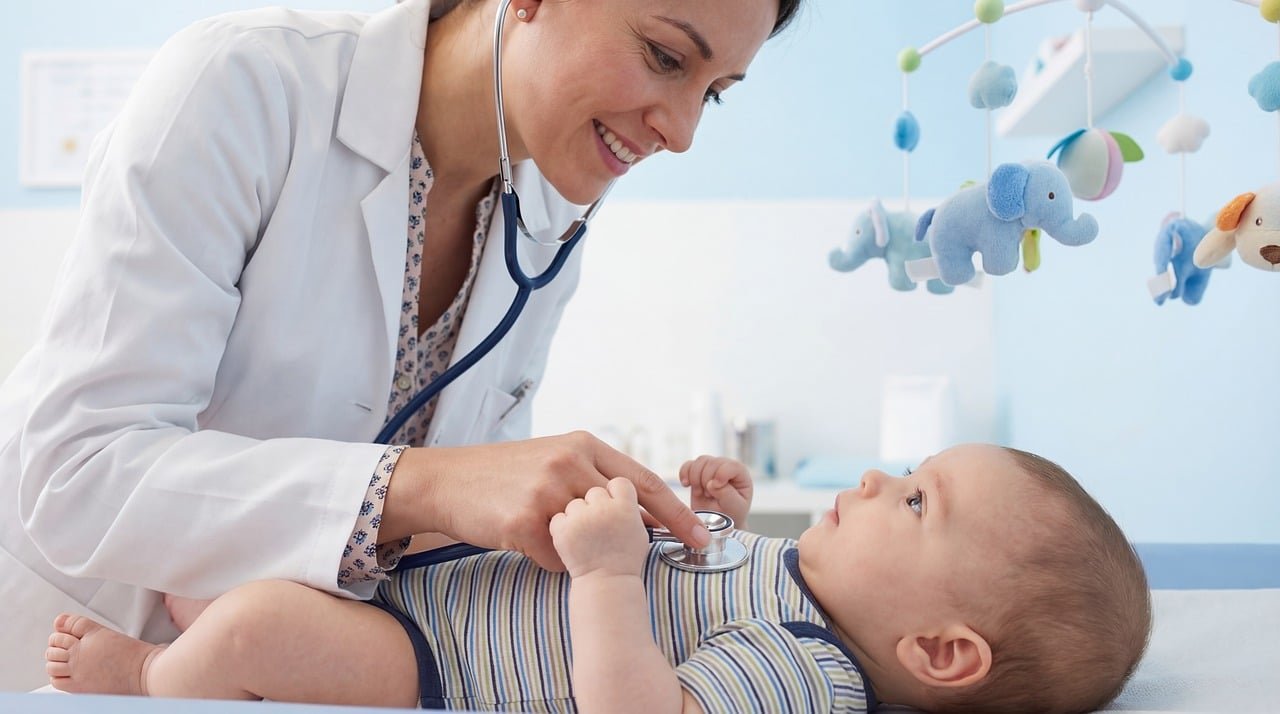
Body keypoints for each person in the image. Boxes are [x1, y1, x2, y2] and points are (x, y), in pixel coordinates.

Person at [0, 0, 803, 690]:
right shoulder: (244, 87)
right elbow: (77, 473)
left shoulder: (547, 222)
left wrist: (603, 536)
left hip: (274, 673)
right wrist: (422, 485)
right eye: (665, 57)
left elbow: (450, 536)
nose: (684, 131)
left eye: (715, 94)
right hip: (67, 647)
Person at [46, 444, 1152, 713]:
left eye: (915, 501)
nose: (874, 476)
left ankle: (148, 673)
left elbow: (636, 706)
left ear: (940, 652)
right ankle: (194, 627)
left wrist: (611, 572)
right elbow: (703, 573)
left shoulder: (810, 671)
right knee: (263, 556)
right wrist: (709, 509)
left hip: (437, 664)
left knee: (251, 630)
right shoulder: (797, 579)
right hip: (452, 585)